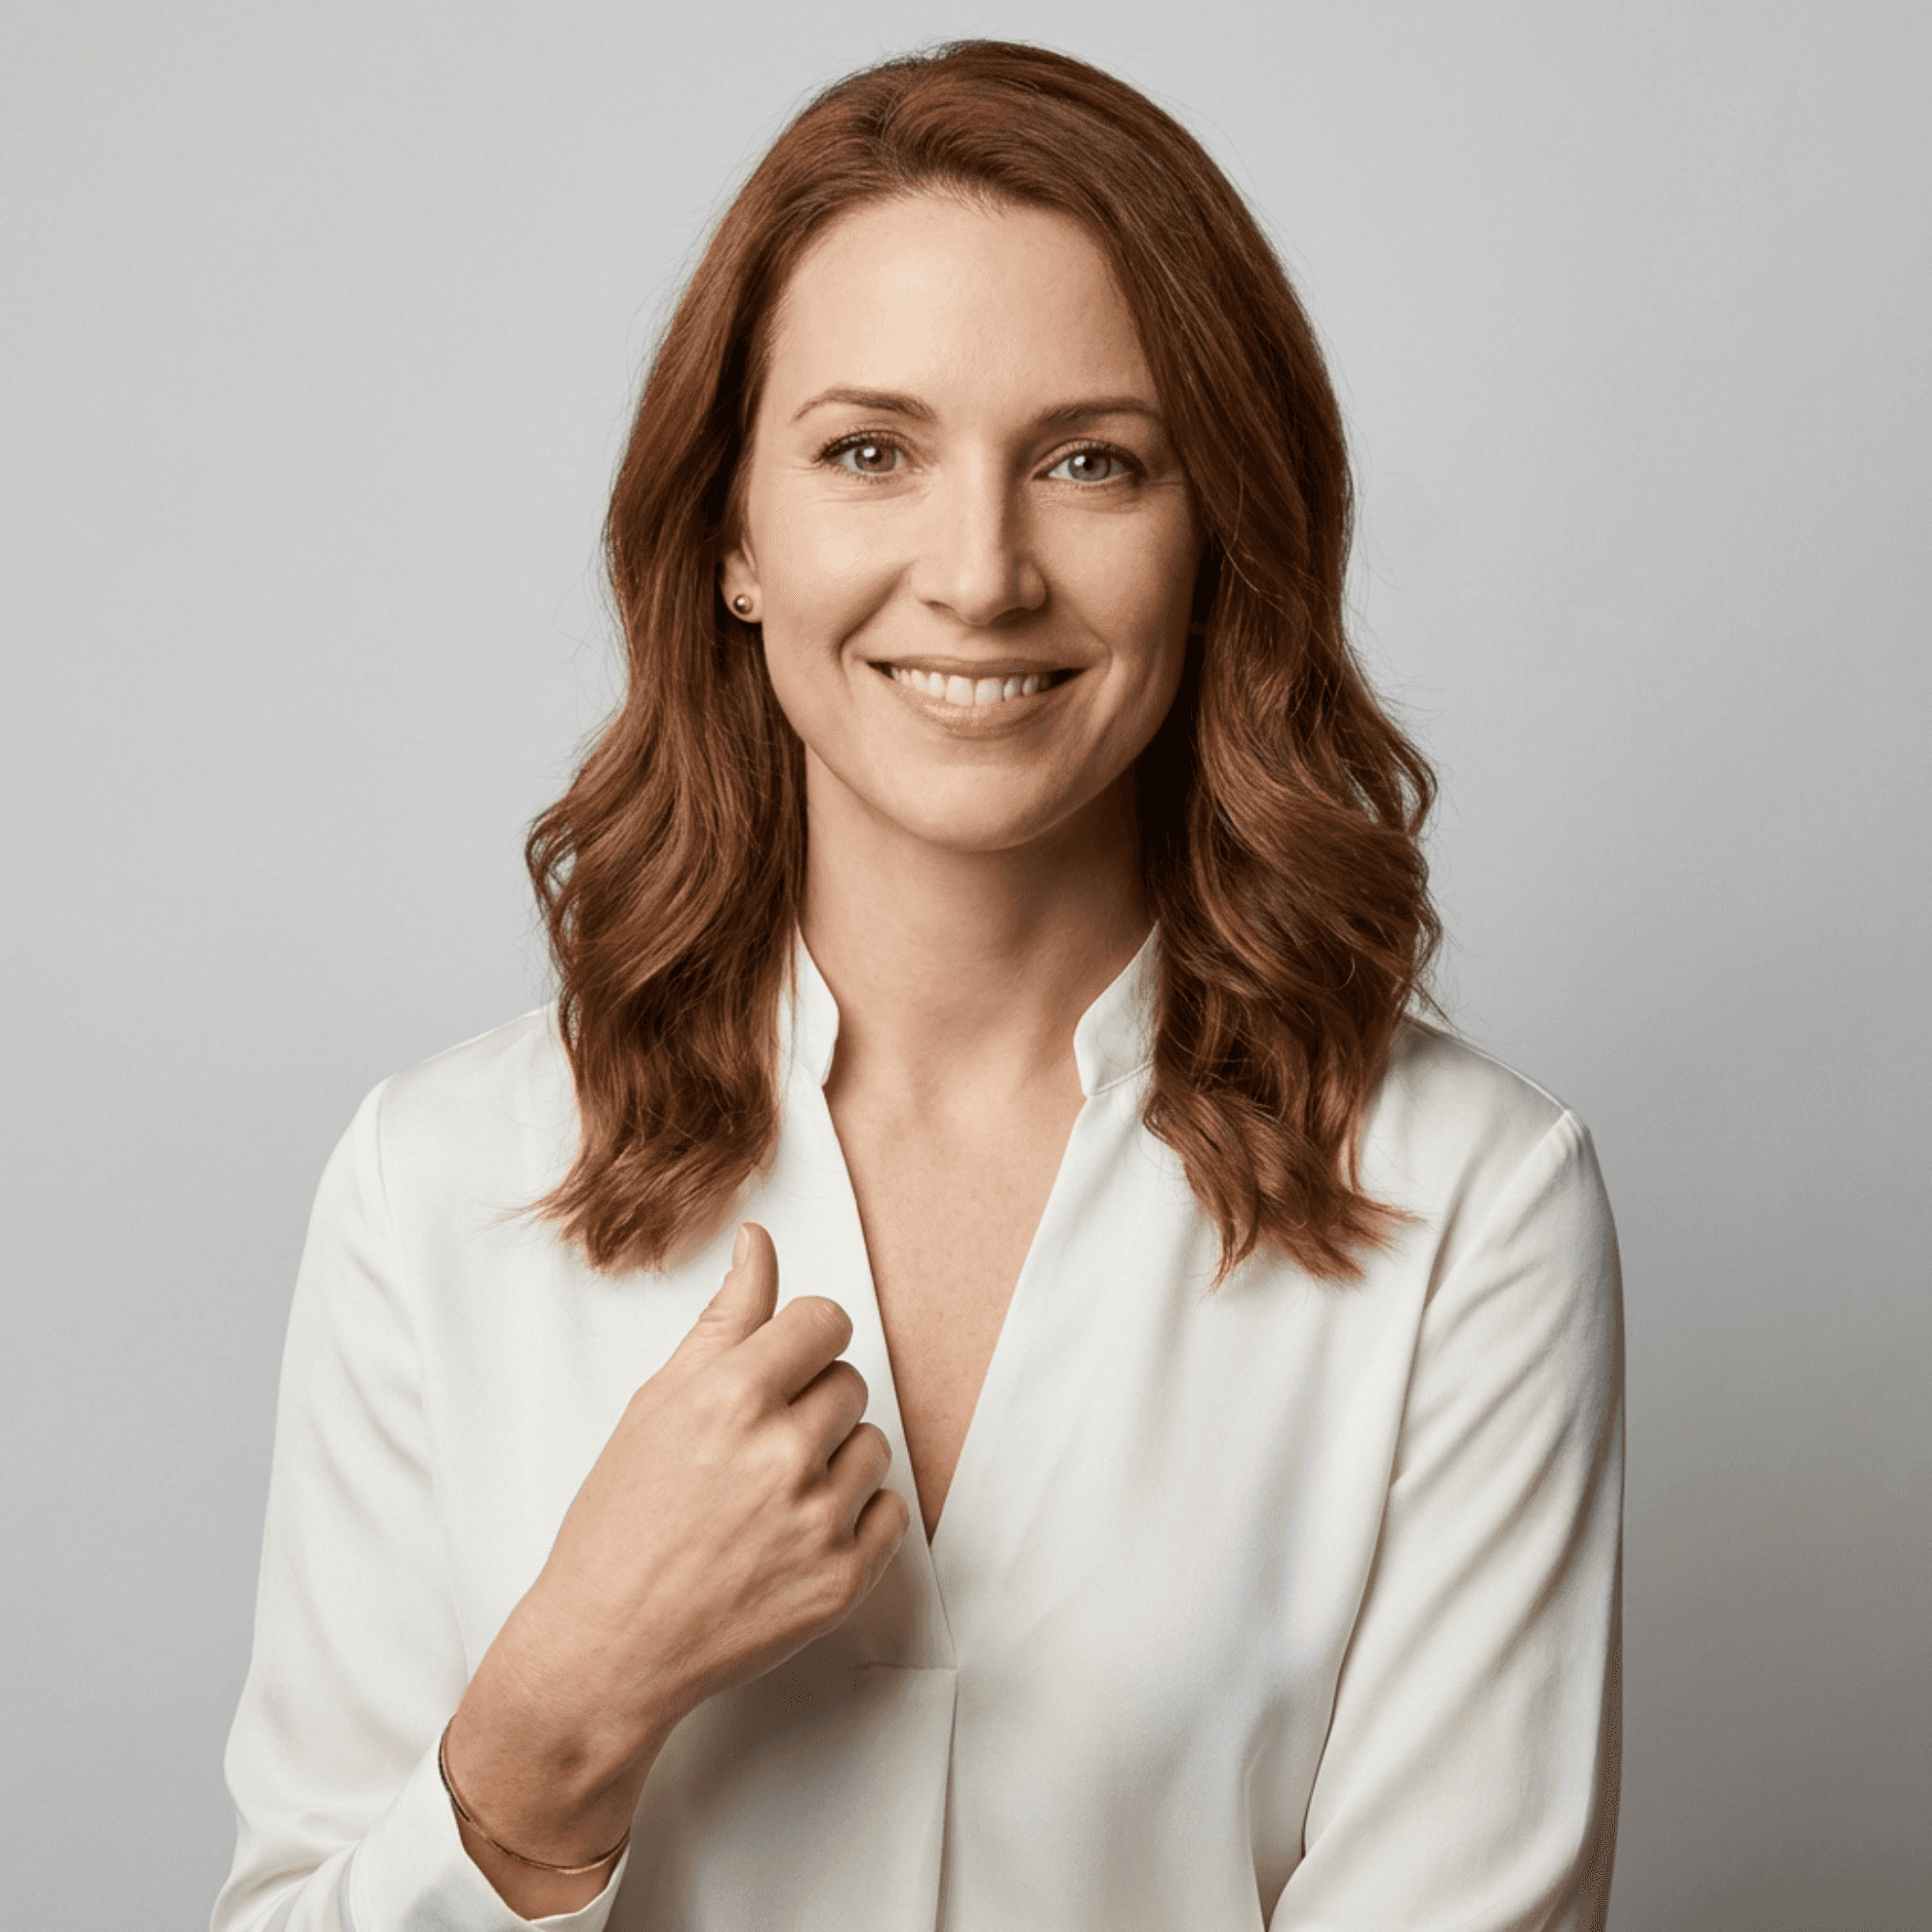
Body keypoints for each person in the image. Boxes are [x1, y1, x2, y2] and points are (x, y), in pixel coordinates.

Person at [213, 39, 1623, 1932]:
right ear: (731, 531)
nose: (978, 572)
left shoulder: (1469, 1208)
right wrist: (551, 1728)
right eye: (869, 450)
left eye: (1091, 460)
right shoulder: (433, 1185)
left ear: (1218, 545)